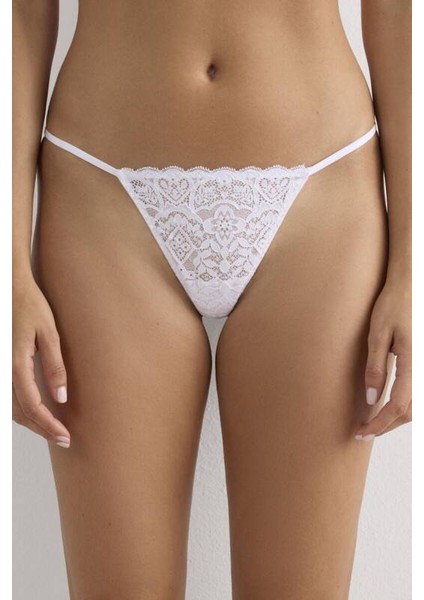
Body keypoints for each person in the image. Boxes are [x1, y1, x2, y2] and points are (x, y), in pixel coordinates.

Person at [12, 0, 411, 598]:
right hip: (102, 200)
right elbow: (20, 14)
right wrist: (9, 267)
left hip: (323, 201)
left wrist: (412, 261)